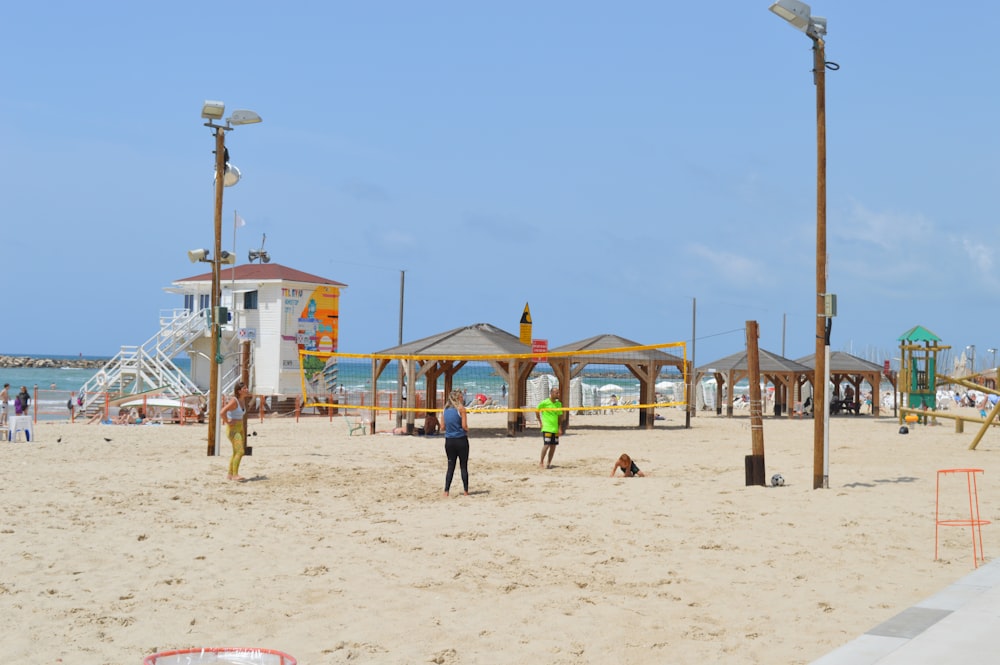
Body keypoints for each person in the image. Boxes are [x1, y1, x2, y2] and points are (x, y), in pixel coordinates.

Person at [442, 389, 470, 496]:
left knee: (450, 466)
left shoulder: (444, 410)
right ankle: (466, 491)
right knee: (463, 466)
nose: (462, 398)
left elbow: (442, 427)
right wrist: (467, 429)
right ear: (458, 398)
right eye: (461, 396)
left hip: (449, 441)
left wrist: (451, 428)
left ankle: (446, 491)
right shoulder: (461, 409)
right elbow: (464, 426)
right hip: (461, 440)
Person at [222, 381, 250, 481]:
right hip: (233, 429)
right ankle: (235, 475)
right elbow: (222, 412)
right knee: (240, 451)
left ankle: (230, 474)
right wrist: (228, 421)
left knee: (235, 452)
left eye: (247, 388)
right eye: (244, 388)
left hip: (240, 428)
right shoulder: (234, 401)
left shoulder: (243, 400)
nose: (247, 390)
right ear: (239, 391)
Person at [536, 386, 563, 469]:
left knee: (553, 446)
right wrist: (540, 422)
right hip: (547, 427)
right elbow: (537, 411)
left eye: (558, 392)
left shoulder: (559, 404)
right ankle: (541, 462)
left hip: (555, 428)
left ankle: (549, 463)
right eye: (556, 393)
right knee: (546, 445)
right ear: (551, 393)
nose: (558, 394)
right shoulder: (544, 402)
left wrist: (560, 428)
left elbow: (559, 417)